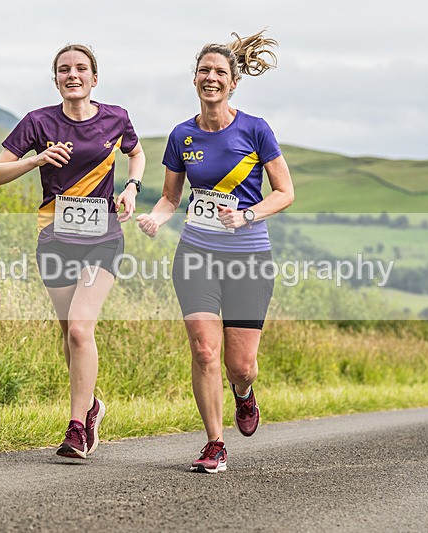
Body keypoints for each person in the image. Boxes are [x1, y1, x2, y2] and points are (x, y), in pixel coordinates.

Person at [137, 30, 294, 473]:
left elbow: (285, 192)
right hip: (196, 254)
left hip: (248, 256)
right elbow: (171, 198)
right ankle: (214, 442)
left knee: (240, 365)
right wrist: (156, 218)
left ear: (233, 82)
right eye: (204, 70)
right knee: (205, 350)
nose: (211, 78)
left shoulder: (255, 130)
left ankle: (244, 395)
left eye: (219, 72)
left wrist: (246, 215)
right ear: (195, 79)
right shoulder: (181, 135)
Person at [0, 44, 145, 459]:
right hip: (55, 240)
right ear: (55, 78)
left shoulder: (117, 117)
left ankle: (78, 429)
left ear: (95, 78)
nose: (72, 75)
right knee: (69, 336)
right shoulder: (38, 122)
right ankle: (91, 405)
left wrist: (131, 187)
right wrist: (37, 160)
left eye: (80, 68)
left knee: (79, 328)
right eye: (63, 69)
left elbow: (136, 153)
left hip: (103, 238)